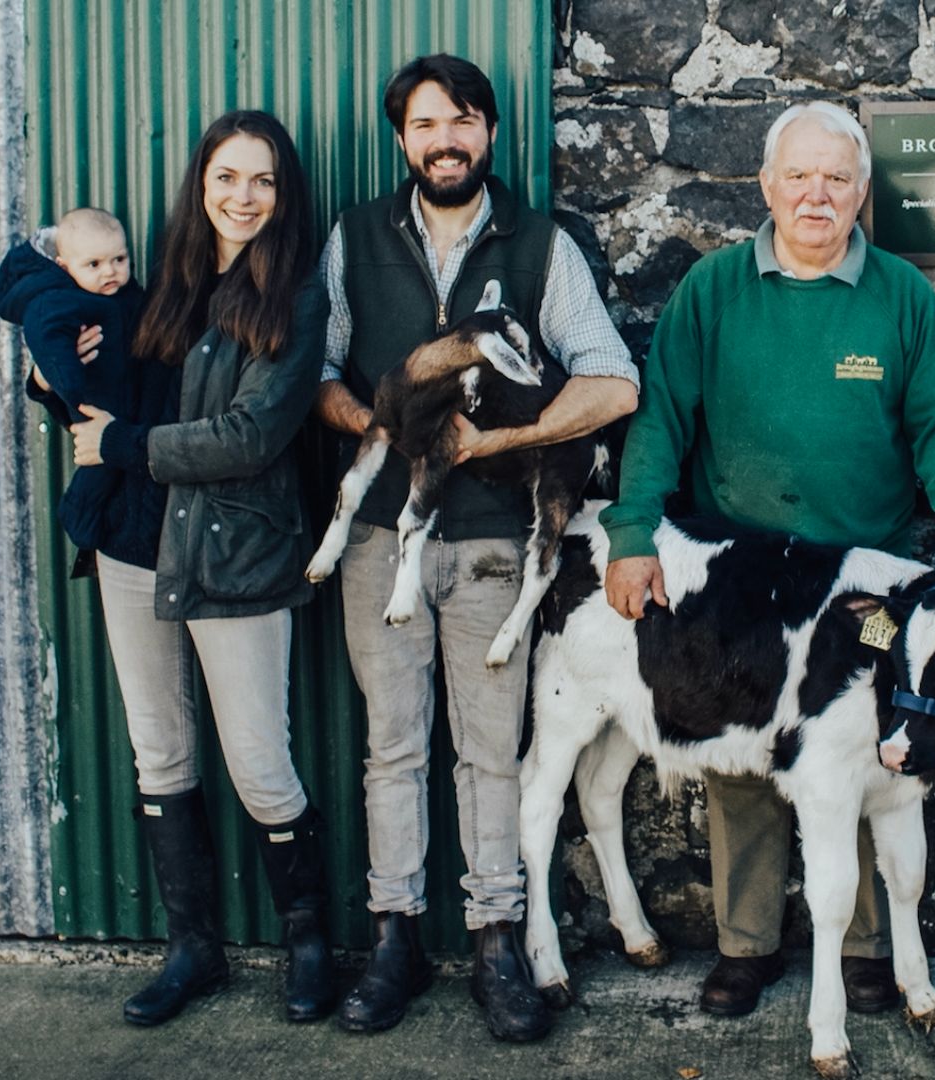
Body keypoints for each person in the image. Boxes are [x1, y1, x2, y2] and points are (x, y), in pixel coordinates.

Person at [599, 101, 935, 1020]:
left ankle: (863, 949)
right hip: (742, 576)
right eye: (799, 176)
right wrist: (631, 535)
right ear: (768, 185)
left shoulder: (899, 294)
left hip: (865, 580)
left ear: (863, 193)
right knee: (742, 760)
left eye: (837, 179)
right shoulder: (714, 289)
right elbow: (662, 415)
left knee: (861, 752)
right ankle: (747, 946)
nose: (817, 194)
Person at [314, 54, 638, 1043]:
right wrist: (373, 425)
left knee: (492, 752)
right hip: (383, 547)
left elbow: (613, 385)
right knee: (393, 747)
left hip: (498, 544)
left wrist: (502, 440)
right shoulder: (356, 238)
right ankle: (394, 938)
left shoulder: (540, 244)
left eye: (460, 121)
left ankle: (497, 942)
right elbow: (320, 370)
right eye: (423, 124)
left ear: (489, 132)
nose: (443, 139)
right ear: (402, 139)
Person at [63, 109, 336, 1027]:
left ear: (283, 192)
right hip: (136, 546)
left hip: (238, 552)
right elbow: (86, 377)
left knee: (261, 761)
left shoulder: (296, 297)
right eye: (227, 177)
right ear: (201, 184)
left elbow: (253, 434)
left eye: (262, 180)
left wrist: (124, 442)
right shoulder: (159, 285)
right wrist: (56, 374)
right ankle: (194, 950)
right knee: (160, 750)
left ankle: (308, 943)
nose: (243, 197)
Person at [0, 207, 145, 554]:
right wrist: (65, 383)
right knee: (99, 472)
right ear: (65, 267)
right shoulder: (57, 301)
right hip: (91, 402)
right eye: (94, 265)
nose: (110, 271)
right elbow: (49, 344)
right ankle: (79, 518)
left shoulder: (126, 295)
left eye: (119, 259)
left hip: (127, 404)